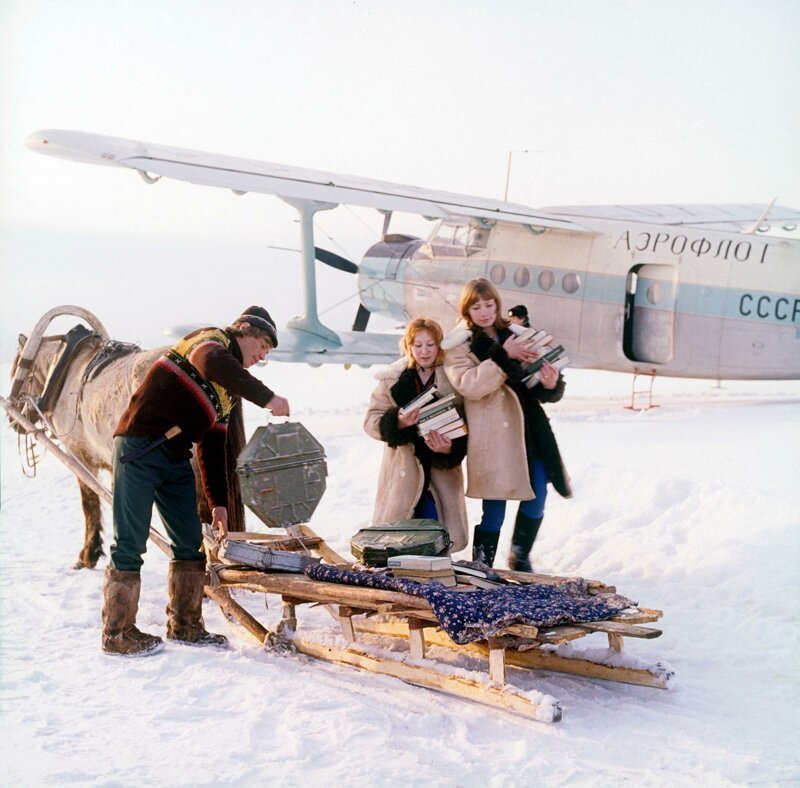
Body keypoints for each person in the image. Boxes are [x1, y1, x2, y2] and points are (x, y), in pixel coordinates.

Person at [102, 306, 291, 656]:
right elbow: (213, 363)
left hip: (174, 457)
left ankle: (185, 624)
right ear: (243, 330)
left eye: (268, 351)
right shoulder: (209, 342)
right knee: (130, 541)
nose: (262, 355)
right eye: (262, 344)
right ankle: (117, 633)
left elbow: (214, 446)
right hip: (139, 447)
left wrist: (218, 503)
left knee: (189, 543)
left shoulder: (226, 394)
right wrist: (268, 398)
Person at [442, 279, 571, 570]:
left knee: (537, 497)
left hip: (529, 431)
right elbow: (468, 386)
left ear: (498, 305)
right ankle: (482, 566)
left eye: (489, 304)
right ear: (467, 309)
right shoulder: (459, 346)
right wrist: (503, 356)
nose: (484, 312)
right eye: (476, 306)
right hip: (493, 437)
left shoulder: (516, 334)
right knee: (494, 511)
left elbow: (531, 382)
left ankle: (519, 556)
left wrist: (550, 384)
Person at [364, 318, 468, 553]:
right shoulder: (392, 378)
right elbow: (370, 421)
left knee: (437, 539)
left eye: (430, 345)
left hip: (440, 471)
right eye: (418, 345)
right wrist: (397, 422)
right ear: (408, 346)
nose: (424, 351)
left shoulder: (453, 378)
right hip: (404, 471)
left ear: (439, 345)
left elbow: (467, 425)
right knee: (402, 541)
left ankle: (435, 583)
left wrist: (450, 448)